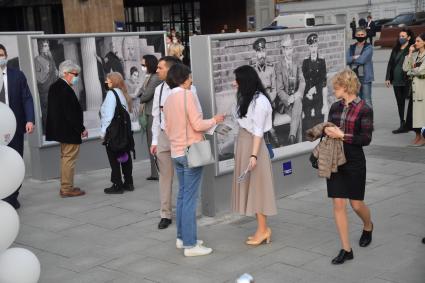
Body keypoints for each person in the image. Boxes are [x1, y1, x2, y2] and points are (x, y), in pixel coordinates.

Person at [163, 63, 224, 257]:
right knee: (189, 199)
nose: (191, 81)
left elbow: (166, 126)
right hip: (191, 151)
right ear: (182, 78)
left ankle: (182, 238)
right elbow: (198, 124)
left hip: (176, 152)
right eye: (189, 77)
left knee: (182, 197)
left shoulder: (168, 98)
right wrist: (215, 120)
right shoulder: (187, 95)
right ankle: (190, 245)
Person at [325, 69, 374, 265]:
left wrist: (342, 135)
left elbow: (366, 139)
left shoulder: (364, 108)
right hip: (335, 159)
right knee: (338, 204)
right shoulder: (335, 107)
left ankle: (368, 225)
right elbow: (327, 127)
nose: (333, 90)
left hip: (354, 160)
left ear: (345, 87)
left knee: (356, 204)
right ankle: (346, 249)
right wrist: (325, 130)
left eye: (336, 87)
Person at [150, 56, 201, 229]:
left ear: (170, 70)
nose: (157, 70)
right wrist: (155, 140)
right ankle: (165, 213)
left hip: (182, 137)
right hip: (164, 136)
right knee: (165, 177)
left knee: (185, 177)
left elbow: (197, 115)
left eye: (160, 68)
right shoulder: (158, 90)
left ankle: (186, 212)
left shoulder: (190, 89)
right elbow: (156, 117)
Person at [231, 65, 277, 246]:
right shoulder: (247, 97)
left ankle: (263, 229)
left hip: (253, 146)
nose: (234, 83)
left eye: (237, 80)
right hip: (245, 143)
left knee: (258, 189)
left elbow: (258, 131)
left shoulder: (260, 102)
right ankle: (261, 229)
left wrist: (253, 156)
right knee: (253, 188)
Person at [0, 44, 35, 209]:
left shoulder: (17, 75)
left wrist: (30, 120)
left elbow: (26, 98)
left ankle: (13, 196)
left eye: (2, 54)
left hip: (14, 128)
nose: (0, 57)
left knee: (15, 161)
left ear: (6, 55)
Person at [46, 60, 88, 198]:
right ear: (65, 73)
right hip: (69, 130)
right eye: (75, 74)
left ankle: (66, 185)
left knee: (65, 158)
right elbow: (70, 113)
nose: (77, 77)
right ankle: (66, 188)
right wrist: (81, 128)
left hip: (62, 130)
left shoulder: (55, 86)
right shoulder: (64, 89)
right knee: (69, 159)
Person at [100, 72, 134, 194]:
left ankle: (117, 185)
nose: (105, 82)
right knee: (124, 157)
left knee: (114, 159)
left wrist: (103, 133)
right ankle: (128, 182)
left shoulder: (111, 94)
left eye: (107, 80)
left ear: (113, 82)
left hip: (113, 133)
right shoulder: (122, 93)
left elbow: (108, 116)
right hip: (124, 133)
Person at [275, 34, 305, 144]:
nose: (288, 52)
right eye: (286, 49)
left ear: (293, 49)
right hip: (285, 103)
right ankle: (298, 145)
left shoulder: (297, 63)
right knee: (298, 115)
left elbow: (302, 81)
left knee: (298, 104)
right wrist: (289, 99)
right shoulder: (278, 66)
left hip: (295, 99)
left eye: (290, 49)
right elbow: (279, 89)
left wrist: (297, 94)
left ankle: (292, 137)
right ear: (283, 50)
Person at [385, 28, 415, 134]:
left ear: (409, 37)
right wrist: (388, 78)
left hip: (407, 81)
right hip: (396, 81)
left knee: (408, 103)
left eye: (403, 36)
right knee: (400, 103)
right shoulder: (396, 48)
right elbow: (390, 64)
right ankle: (402, 123)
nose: (401, 38)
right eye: (400, 36)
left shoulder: (412, 49)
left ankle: (409, 124)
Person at [251, 38, 279, 146]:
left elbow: (274, 89)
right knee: (260, 109)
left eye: (263, 51)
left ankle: (267, 139)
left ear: (265, 52)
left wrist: (269, 100)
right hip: (258, 100)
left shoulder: (271, 68)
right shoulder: (252, 70)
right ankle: (271, 134)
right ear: (256, 53)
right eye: (259, 52)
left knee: (266, 108)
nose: (262, 55)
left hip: (270, 100)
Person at [138, 55, 161, 181]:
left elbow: (144, 96)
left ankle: (157, 172)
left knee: (153, 143)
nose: (142, 67)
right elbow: (140, 91)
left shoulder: (155, 78)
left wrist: (141, 94)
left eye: (144, 64)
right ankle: (155, 172)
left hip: (152, 115)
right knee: (151, 143)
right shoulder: (150, 77)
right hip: (149, 113)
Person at [403, 33, 425, 146]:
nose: (415, 43)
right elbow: (405, 68)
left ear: (424, 42)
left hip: (422, 88)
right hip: (414, 89)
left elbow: (420, 71)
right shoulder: (416, 55)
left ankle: (423, 137)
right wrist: (410, 53)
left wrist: (411, 71)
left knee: (422, 114)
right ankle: (417, 135)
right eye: (415, 41)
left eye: (418, 41)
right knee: (413, 114)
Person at [302, 33, 328, 127]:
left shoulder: (321, 60)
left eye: (315, 46)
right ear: (309, 47)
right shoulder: (305, 61)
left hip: (317, 92)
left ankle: (319, 134)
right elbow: (304, 78)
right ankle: (309, 135)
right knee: (307, 112)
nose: (313, 49)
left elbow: (323, 79)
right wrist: (309, 92)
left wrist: (315, 89)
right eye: (311, 46)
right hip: (308, 92)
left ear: (317, 47)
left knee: (318, 112)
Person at [34, 39, 58, 133]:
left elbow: (55, 72)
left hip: (53, 87)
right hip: (45, 89)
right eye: (44, 46)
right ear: (40, 48)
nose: (46, 47)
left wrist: (56, 72)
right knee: (47, 110)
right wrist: (46, 71)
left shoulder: (50, 58)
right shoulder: (37, 59)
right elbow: (38, 77)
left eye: (47, 45)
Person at [347, 28, 374, 108]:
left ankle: (369, 120)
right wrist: (355, 57)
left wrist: (352, 59)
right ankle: (359, 119)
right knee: (356, 100)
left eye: (362, 35)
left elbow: (362, 60)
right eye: (358, 35)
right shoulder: (351, 47)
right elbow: (346, 60)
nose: (360, 36)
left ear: (365, 35)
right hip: (354, 77)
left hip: (365, 77)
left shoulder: (369, 47)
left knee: (367, 100)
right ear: (355, 36)